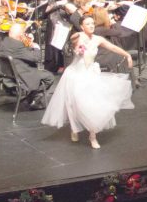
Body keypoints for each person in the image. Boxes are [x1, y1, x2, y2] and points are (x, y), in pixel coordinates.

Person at [41, 17, 135, 149]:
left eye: (92, 23)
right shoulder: (78, 36)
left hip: (91, 74)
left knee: (93, 105)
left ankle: (93, 136)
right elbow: (73, 38)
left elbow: (112, 47)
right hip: (75, 75)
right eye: (87, 24)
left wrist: (127, 55)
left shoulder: (98, 39)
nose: (91, 26)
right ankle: (74, 128)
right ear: (81, 26)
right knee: (73, 105)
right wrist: (77, 35)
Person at [0, 23, 54, 110]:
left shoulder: (5, 42)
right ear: (20, 35)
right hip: (21, 76)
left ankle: (31, 97)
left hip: (8, 74)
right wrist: (36, 47)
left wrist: (26, 43)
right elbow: (36, 58)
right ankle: (33, 97)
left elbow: (21, 54)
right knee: (49, 77)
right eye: (23, 33)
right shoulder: (18, 46)